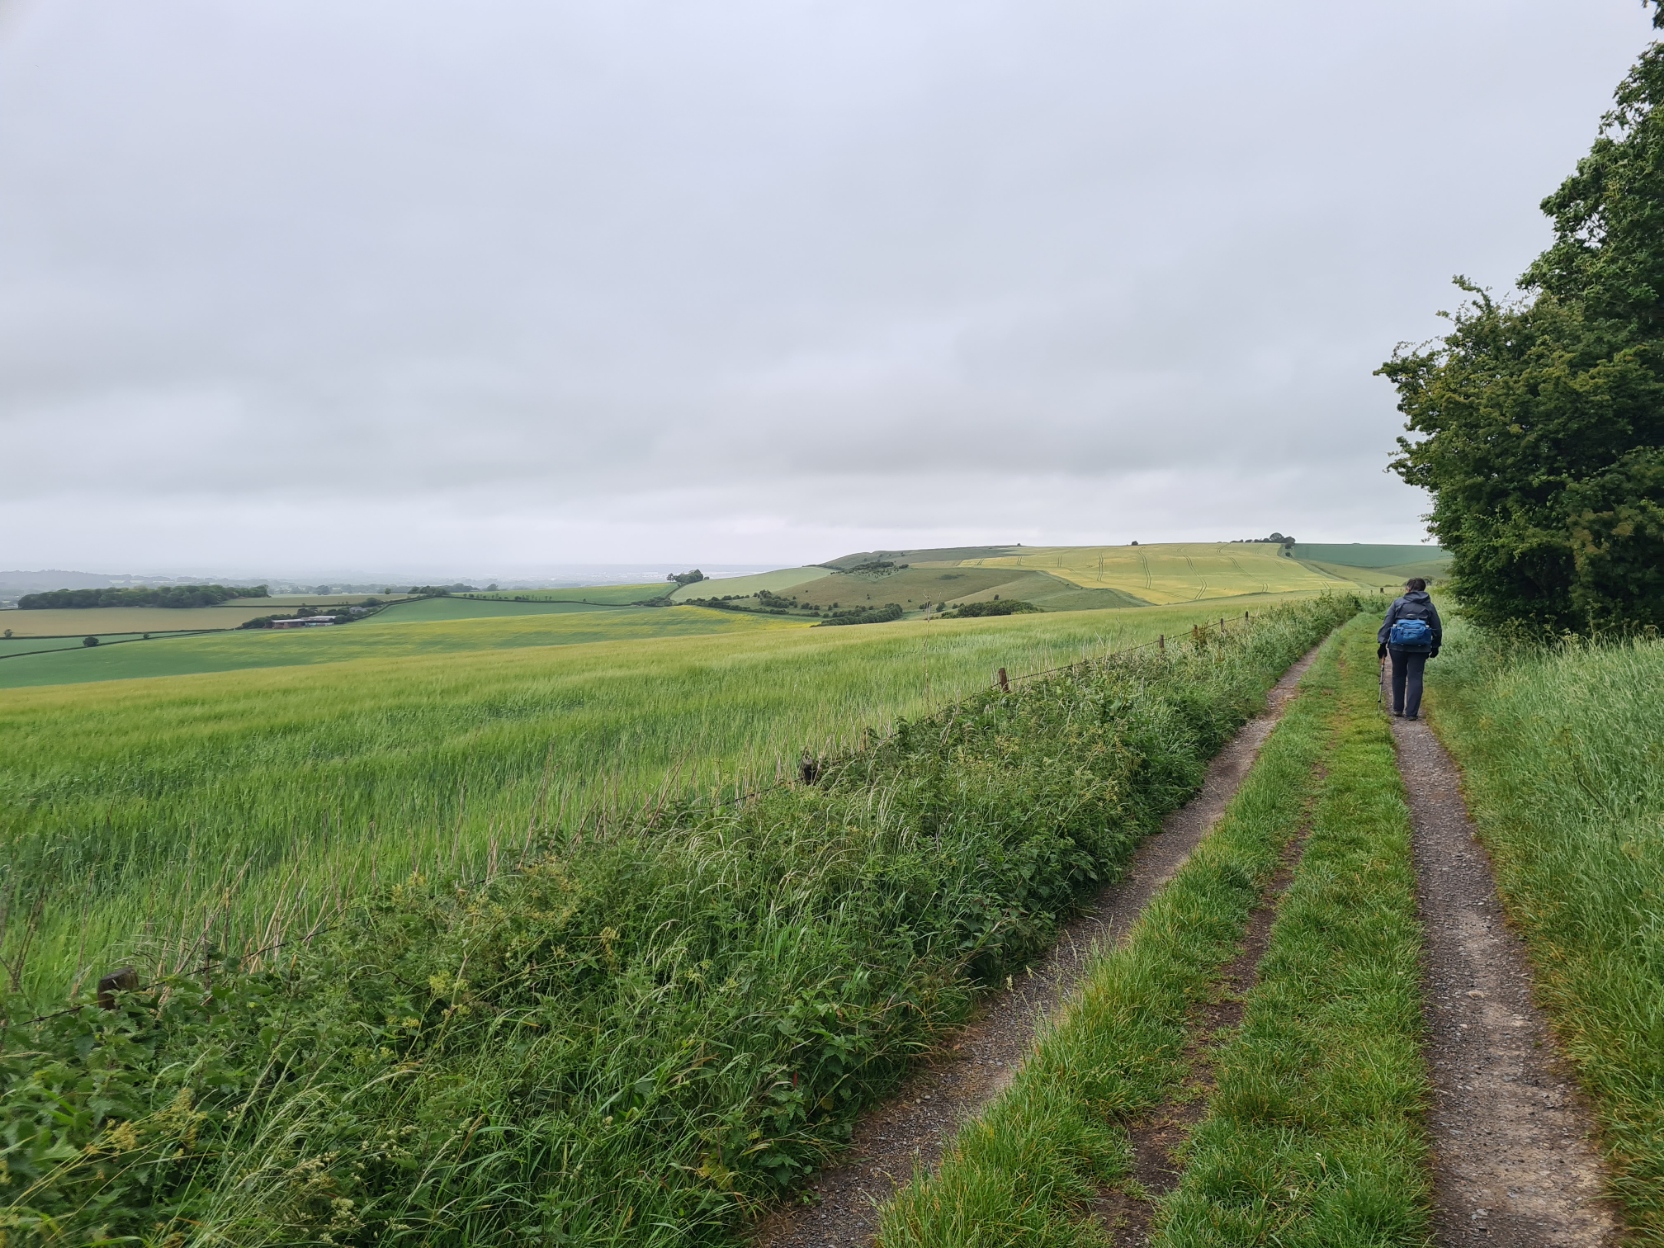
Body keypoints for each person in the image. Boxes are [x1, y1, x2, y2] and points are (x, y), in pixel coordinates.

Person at [1378, 578, 1442, 720]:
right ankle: (1412, 713)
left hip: (1397, 646)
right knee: (1415, 677)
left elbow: (1387, 623)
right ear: (1423, 590)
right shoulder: (1429, 606)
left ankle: (1397, 709)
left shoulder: (1398, 603)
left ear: (1408, 589)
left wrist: (1382, 643)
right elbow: (1437, 627)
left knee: (1398, 675)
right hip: (1421, 647)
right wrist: (1435, 645)